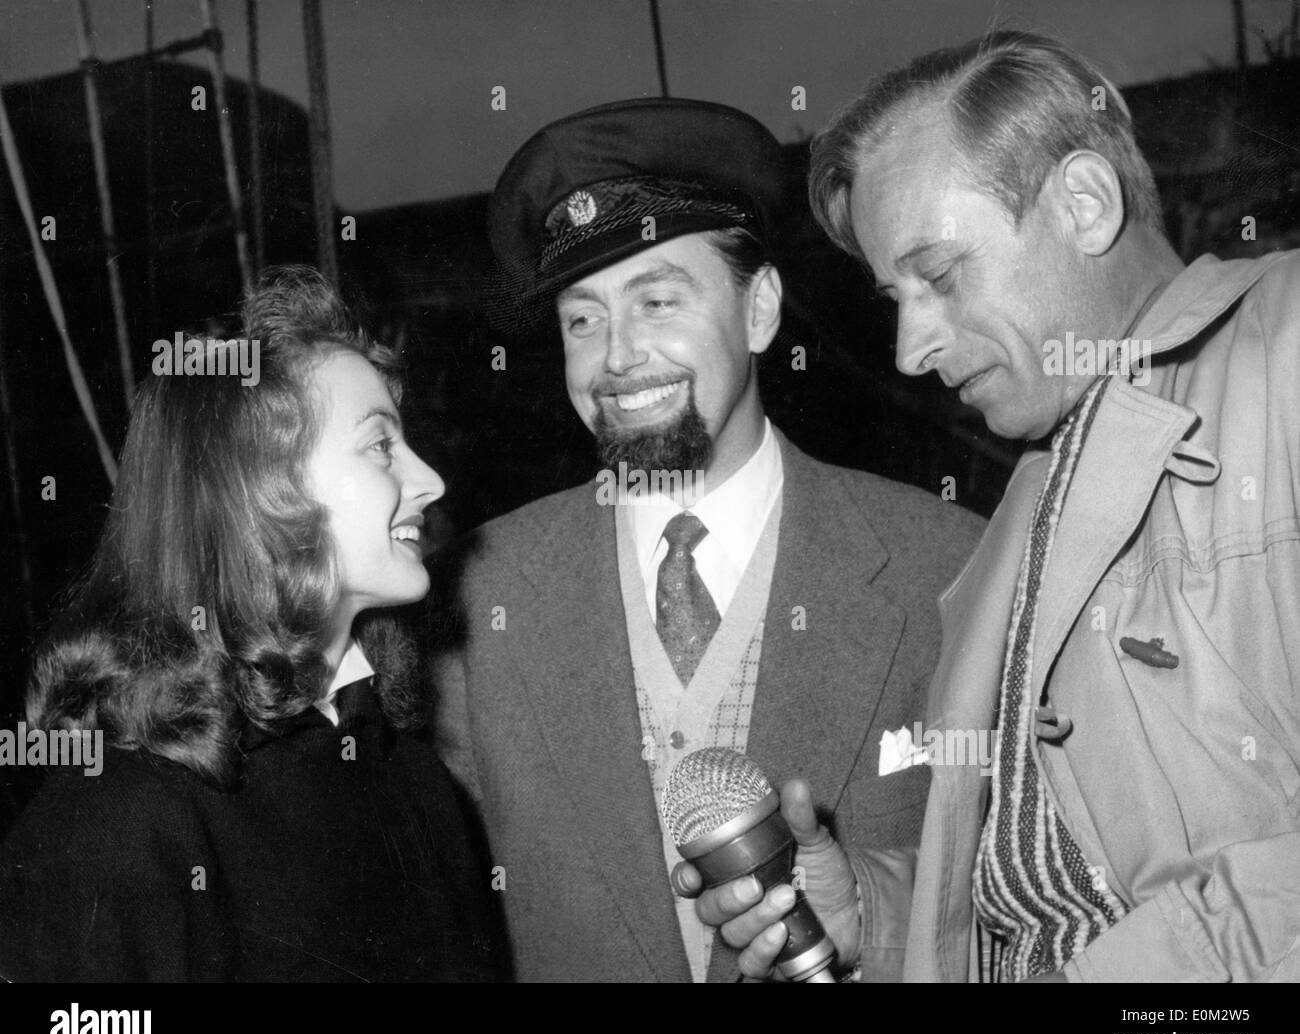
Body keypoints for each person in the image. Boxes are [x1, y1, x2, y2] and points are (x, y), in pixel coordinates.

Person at [700, 29, 1300, 982]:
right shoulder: (1026, 506)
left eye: (939, 278)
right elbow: (1044, 895)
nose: (909, 349)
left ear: (1085, 202)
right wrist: (875, 914)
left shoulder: (1288, 347)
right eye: (895, 297)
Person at [432, 98, 984, 982]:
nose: (617, 356)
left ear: (760, 309)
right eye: (583, 318)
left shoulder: (953, 566)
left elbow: (1029, 904)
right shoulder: (470, 600)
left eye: (657, 300)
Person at [0, 266, 507, 982]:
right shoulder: (116, 827)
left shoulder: (411, 773)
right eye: (380, 445)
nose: (430, 481)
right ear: (260, 488)